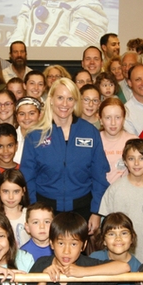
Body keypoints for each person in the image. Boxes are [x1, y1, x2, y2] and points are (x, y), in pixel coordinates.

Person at [20, 78, 110, 234]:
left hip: (82, 210)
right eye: (60, 97)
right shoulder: (35, 134)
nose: (64, 104)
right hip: (45, 212)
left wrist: (96, 212)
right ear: (51, 100)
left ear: (75, 102)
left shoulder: (90, 132)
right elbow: (27, 177)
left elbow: (99, 177)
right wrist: (34, 210)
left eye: (70, 99)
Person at [99, 139, 143, 262]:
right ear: (125, 162)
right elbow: (105, 225)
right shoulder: (115, 189)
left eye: (142, 158)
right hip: (119, 258)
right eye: (131, 158)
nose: (136, 163)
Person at [0, 169, 30, 247]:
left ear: (23, 191)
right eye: (6, 191)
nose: (11, 197)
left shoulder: (30, 215)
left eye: (16, 191)